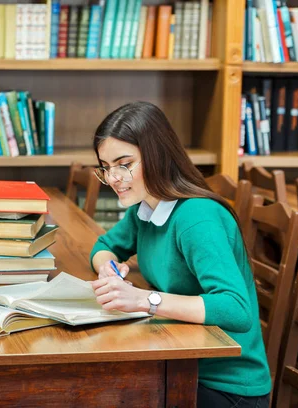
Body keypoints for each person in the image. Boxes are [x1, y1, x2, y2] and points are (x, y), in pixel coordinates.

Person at [89, 102, 271, 407]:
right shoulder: (145, 207)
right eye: (106, 168)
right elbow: (102, 246)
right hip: (178, 361)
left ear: (157, 154)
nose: (113, 178)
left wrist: (144, 300)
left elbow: (236, 308)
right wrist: (108, 268)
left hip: (226, 385)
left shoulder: (197, 219)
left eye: (124, 164)